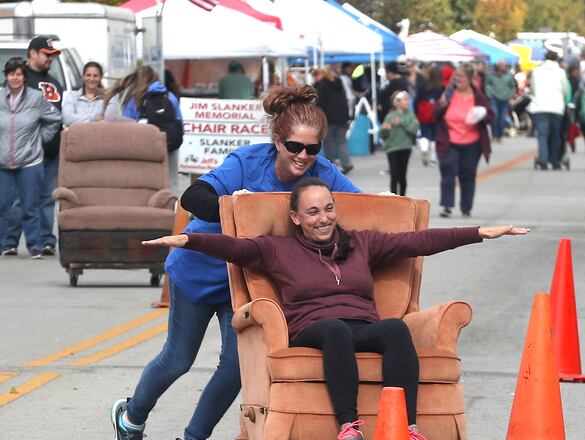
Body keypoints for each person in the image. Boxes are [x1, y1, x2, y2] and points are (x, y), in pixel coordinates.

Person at [141, 177, 529, 440]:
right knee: (335, 329)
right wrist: (187, 239)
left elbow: (419, 241)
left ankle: (405, 425)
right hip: (314, 327)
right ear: (296, 218)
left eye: (328, 209)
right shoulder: (279, 249)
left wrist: (479, 233)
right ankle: (349, 425)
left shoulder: (362, 243)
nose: (323, 218)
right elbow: (233, 247)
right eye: (313, 212)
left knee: (394, 330)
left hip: (362, 323)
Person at [109, 85, 360, 440]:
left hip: (243, 283)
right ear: (277, 140)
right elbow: (193, 196)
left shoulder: (323, 172)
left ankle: (194, 437)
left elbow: (361, 206)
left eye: (312, 148)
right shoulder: (246, 161)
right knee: (179, 358)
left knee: (235, 367)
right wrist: (232, 205)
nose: (304, 155)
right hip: (198, 272)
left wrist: (387, 203)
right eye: (295, 146)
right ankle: (131, 416)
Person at [3, 36, 64, 257]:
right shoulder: (19, 80)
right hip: (23, 155)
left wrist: (45, 139)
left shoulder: (55, 82)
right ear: (33, 54)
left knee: (47, 199)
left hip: (51, 153)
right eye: (46, 55)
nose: (50, 60)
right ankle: (10, 241)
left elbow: (56, 118)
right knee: (19, 200)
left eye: (53, 56)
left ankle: (46, 241)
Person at [104, 65, 183, 193]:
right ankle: (171, 209)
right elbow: (179, 121)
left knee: (146, 182)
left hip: (146, 146)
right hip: (170, 143)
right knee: (171, 181)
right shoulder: (169, 96)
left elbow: (128, 127)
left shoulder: (135, 99)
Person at [434, 63, 494, 218]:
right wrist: (442, 106)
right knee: (448, 173)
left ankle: (466, 208)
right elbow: (436, 113)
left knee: (467, 175)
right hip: (449, 141)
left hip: (472, 143)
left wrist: (481, 114)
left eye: (461, 76)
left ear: (469, 78)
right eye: (456, 76)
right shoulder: (448, 93)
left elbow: (490, 115)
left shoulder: (478, 95)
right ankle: (447, 206)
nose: (457, 79)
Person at [528, 51, 569, 170]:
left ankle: (543, 160)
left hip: (540, 106)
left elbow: (533, 88)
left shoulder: (537, 71)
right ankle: (555, 161)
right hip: (557, 108)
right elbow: (565, 90)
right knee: (556, 135)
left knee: (542, 135)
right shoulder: (561, 72)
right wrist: (563, 100)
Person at [316, 65, 354, 174]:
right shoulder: (339, 83)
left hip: (329, 118)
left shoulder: (322, 85)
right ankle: (346, 163)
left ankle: (330, 164)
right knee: (341, 141)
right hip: (343, 117)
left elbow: (319, 103)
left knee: (328, 141)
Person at [380, 91, 419, 196]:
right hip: (392, 149)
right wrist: (384, 130)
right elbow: (383, 135)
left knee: (402, 175)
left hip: (405, 148)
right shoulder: (390, 116)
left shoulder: (410, 115)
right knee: (394, 175)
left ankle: (403, 198)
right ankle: (394, 198)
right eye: (405, 100)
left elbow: (414, 129)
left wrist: (401, 123)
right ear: (397, 102)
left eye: (408, 99)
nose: (407, 102)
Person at [414, 66, 444, 166]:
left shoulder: (423, 85)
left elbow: (416, 99)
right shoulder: (441, 87)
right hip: (436, 113)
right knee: (435, 135)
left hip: (423, 113)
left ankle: (424, 148)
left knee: (424, 133)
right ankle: (433, 158)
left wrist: (416, 111)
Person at [62, 62, 105, 127]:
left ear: (101, 77)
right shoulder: (72, 96)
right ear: (83, 76)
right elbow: (67, 119)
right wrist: (94, 118)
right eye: (88, 75)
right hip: (76, 136)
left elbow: (110, 121)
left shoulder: (107, 98)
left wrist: (77, 119)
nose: (91, 79)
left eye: (95, 76)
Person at [485, 59, 517, 143]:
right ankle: (494, 135)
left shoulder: (509, 75)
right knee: (494, 116)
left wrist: (509, 95)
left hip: (505, 99)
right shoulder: (492, 75)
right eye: (501, 65)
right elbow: (486, 85)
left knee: (502, 118)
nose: (502, 66)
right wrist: (490, 94)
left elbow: (513, 87)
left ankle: (500, 135)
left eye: (504, 65)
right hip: (494, 98)